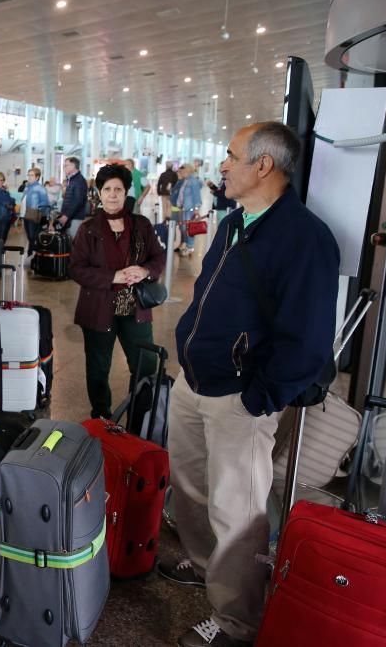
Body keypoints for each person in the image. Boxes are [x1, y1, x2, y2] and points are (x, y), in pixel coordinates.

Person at [159, 122, 340, 647]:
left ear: (264, 165)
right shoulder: (236, 222)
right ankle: (201, 562)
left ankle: (237, 621)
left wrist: (258, 399)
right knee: (190, 488)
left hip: (240, 397)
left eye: (232, 156)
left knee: (236, 509)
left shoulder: (305, 239)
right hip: (194, 382)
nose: (223, 164)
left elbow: (306, 341)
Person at [70, 164, 166, 420]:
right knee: (98, 368)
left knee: (145, 365)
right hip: (98, 309)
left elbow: (158, 257)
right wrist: (113, 276)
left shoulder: (141, 225)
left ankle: (140, 419)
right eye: (107, 189)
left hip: (136, 308)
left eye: (118, 189)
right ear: (99, 194)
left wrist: (146, 271)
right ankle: (101, 417)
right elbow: (77, 269)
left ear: (126, 193)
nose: (113, 195)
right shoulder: (88, 229)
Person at [171, 164, 203, 255]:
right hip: (185, 208)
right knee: (185, 228)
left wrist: (196, 209)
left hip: (191, 209)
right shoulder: (186, 180)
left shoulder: (193, 181)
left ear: (188, 171)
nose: (181, 173)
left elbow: (197, 196)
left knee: (190, 228)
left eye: (182, 172)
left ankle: (190, 247)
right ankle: (188, 245)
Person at [20, 168, 49, 255]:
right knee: (30, 236)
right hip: (26, 215)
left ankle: (33, 254)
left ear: (37, 177)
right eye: (28, 175)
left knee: (33, 236)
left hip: (34, 214)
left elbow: (45, 203)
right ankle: (31, 255)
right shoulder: (27, 187)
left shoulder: (40, 188)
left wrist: (39, 213)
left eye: (31, 175)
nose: (29, 177)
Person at [58, 157, 89, 239]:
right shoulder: (72, 180)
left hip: (75, 218)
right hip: (70, 217)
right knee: (68, 243)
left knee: (74, 242)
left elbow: (77, 201)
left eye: (66, 165)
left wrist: (66, 215)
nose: (64, 168)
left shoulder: (79, 181)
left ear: (73, 166)